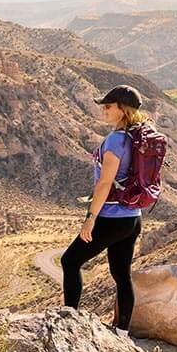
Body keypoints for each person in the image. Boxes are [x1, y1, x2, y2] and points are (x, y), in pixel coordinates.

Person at [60, 84, 149, 338]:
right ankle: (122, 332)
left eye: (108, 107)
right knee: (121, 274)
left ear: (122, 110)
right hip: (133, 218)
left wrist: (90, 218)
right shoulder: (137, 137)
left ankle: (70, 323)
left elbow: (105, 183)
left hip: (111, 218)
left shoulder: (115, 140)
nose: (103, 111)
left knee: (70, 261)